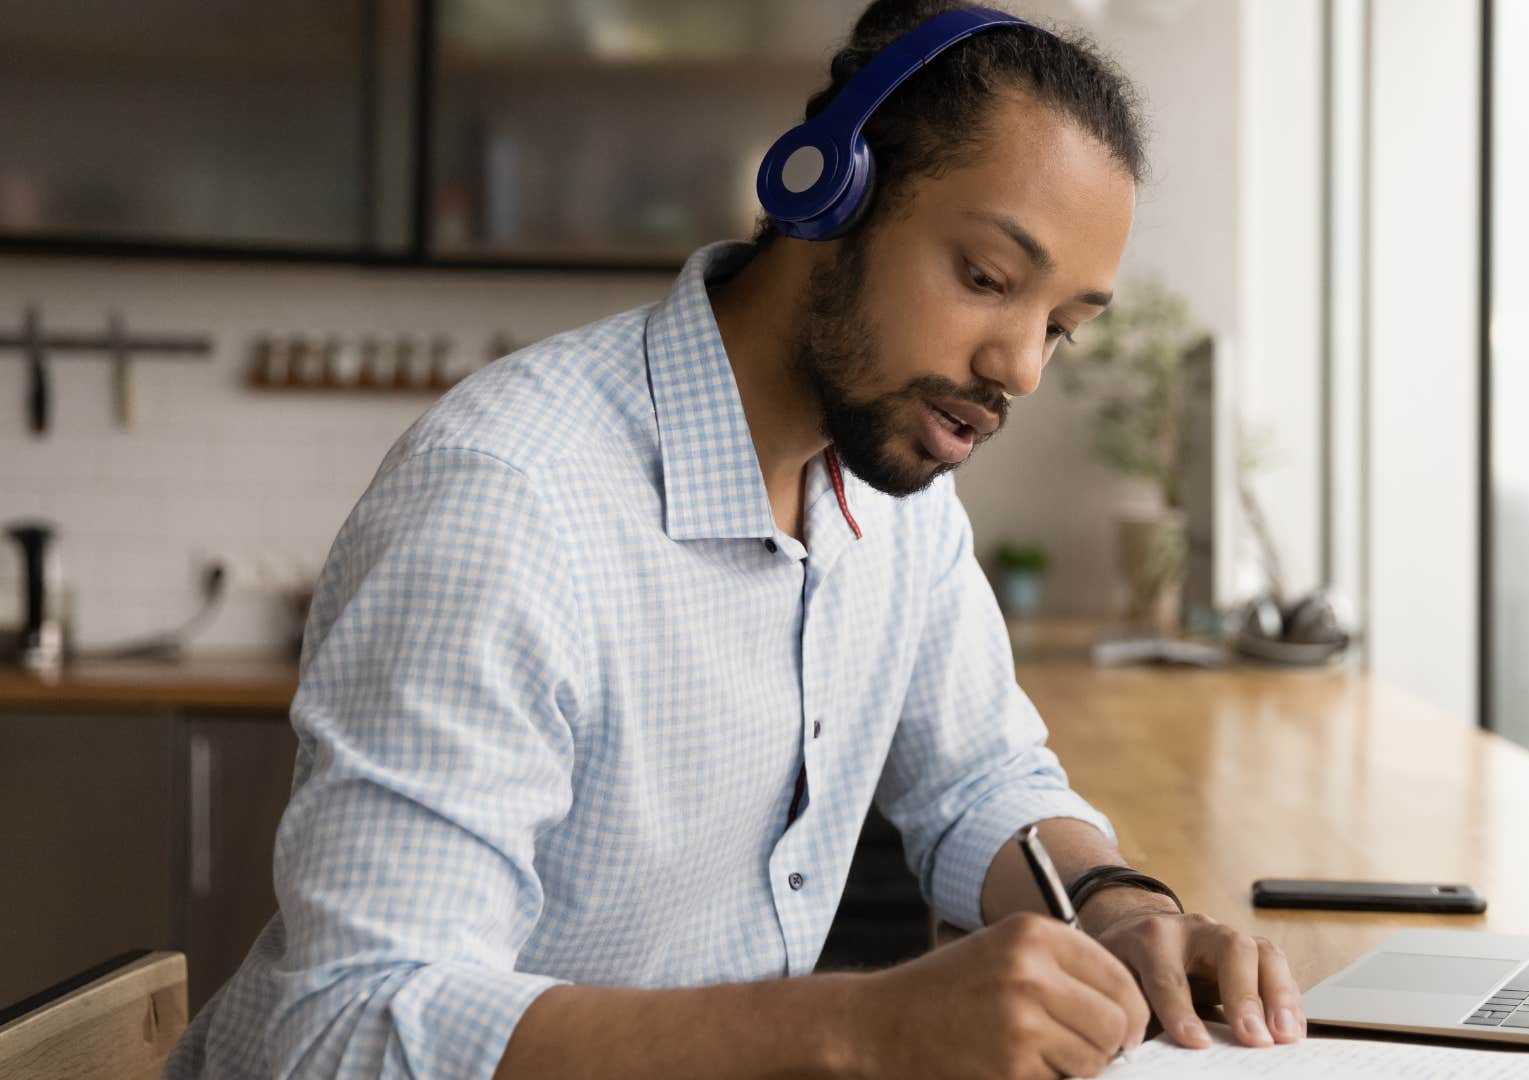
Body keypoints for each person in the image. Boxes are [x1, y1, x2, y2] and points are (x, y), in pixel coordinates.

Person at [167, 2, 1302, 1076]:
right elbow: (341, 1030)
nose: (1018, 367)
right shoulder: (508, 503)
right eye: (985, 278)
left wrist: (1122, 908)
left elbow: (978, 781)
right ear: (826, 192)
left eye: (1057, 325)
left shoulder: (894, 495)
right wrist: (864, 1030)